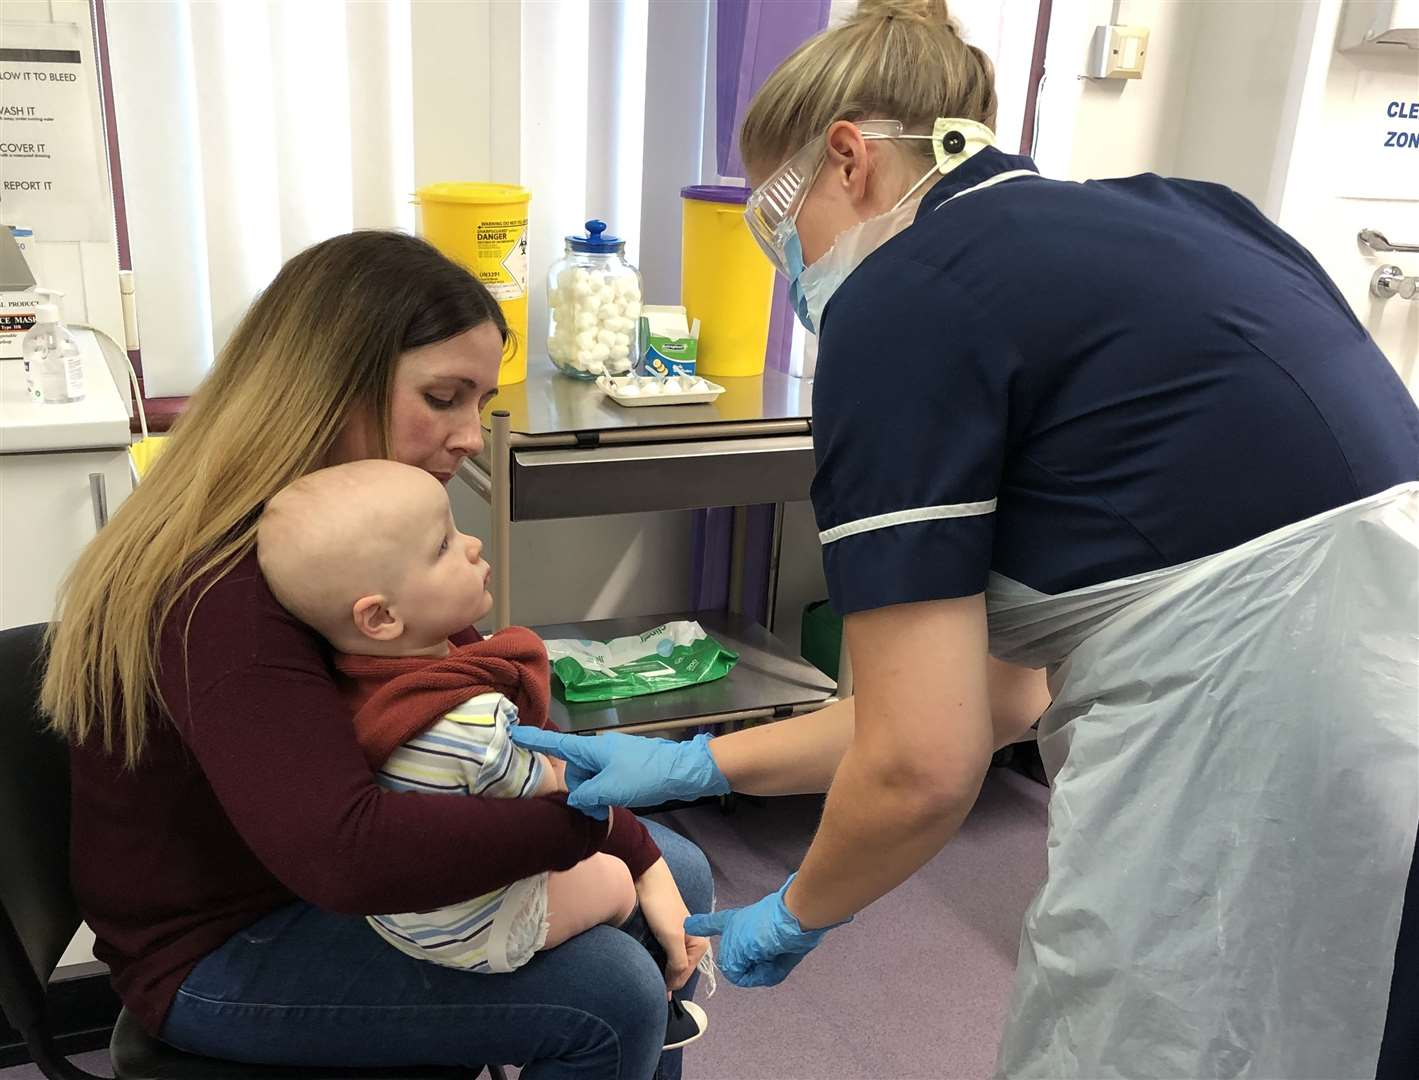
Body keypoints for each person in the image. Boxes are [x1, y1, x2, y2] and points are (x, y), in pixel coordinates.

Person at [513, 1, 1419, 1077]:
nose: (784, 267)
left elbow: (918, 765)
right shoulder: (1199, 215)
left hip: (1243, 720)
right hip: (1383, 681)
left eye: (775, 223)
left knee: (1149, 1042)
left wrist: (798, 909)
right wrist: (696, 760)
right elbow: (996, 700)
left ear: (848, 157)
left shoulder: (898, 302)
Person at [41, 230, 710, 1080]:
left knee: (677, 872)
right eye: (443, 397)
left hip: (303, 877)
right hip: (217, 945)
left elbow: (453, 701)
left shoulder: (357, 540)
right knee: (607, 992)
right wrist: (597, 822)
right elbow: (347, 853)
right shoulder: (220, 594)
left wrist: (612, 825)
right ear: (326, 392)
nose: (470, 435)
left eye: (479, 399)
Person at [254, 459, 710, 1049]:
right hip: (476, 929)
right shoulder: (472, 720)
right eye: (444, 544)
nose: (472, 545)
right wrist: (639, 861)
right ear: (383, 616)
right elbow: (563, 804)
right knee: (621, 883)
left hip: (401, 917)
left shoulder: (355, 685)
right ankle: (663, 1000)